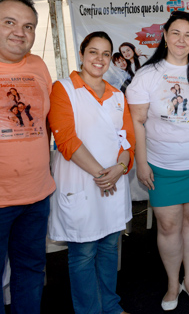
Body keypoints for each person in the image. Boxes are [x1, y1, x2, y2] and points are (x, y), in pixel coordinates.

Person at [126, 11, 189, 311]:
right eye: (176, 33)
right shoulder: (147, 75)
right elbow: (137, 122)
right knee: (168, 227)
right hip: (162, 167)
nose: (182, 39)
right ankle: (172, 284)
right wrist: (141, 163)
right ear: (165, 36)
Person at [48, 31, 135, 314]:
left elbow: (128, 141)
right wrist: (103, 175)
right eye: (93, 52)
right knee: (83, 253)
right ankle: (89, 311)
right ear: (82, 54)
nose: (99, 59)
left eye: (106, 54)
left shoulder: (117, 95)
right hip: (83, 184)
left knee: (110, 248)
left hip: (112, 182)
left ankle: (110, 305)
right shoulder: (63, 89)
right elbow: (66, 140)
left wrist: (120, 168)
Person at [0, 0, 56, 314]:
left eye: (28, 26)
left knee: (31, 273)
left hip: (36, 196)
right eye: (9, 22)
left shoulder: (38, 65)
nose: (20, 32)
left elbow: (47, 121)